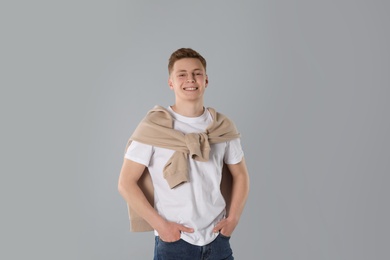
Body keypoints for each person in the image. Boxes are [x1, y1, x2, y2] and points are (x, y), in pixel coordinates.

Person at [118, 48, 250, 260]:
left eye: (197, 73)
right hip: (174, 242)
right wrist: (162, 227)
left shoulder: (222, 127)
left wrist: (233, 219)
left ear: (206, 80)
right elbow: (126, 182)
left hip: (217, 240)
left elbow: (241, 175)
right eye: (182, 74)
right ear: (171, 83)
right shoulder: (154, 127)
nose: (190, 79)